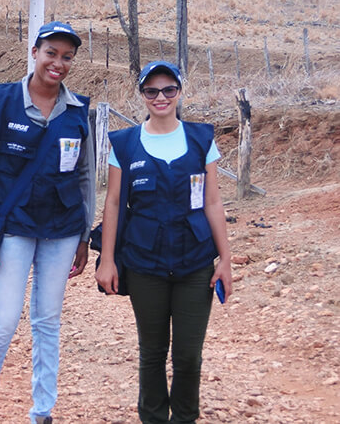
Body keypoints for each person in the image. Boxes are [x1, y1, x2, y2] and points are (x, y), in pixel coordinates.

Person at [0, 21, 96, 424]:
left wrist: (84, 236)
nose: (58, 63)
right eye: (51, 53)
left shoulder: (77, 112)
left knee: (47, 323)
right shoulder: (2, 102)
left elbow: (86, 177)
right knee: (3, 322)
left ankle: (42, 412)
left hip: (62, 230)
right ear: (35, 52)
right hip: (13, 229)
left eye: (67, 56)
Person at [95, 61, 233, 424]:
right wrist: (107, 260)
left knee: (188, 355)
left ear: (179, 92)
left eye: (168, 89)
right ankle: (153, 418)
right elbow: (113, 203)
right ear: (142, 95)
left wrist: (225, 260)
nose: (161, 97)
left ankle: (184, 418)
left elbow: (213, 202)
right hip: (144, 264)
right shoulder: (124, 144)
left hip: (195, 262)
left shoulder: (202, 140)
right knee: (153, 352)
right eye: (152, 91)